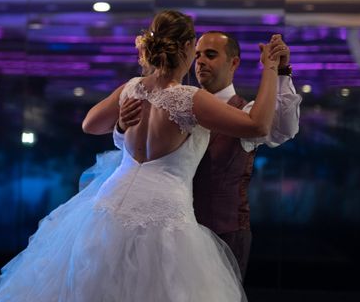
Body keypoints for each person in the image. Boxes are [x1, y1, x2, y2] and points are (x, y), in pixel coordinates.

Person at [0, 10, 279, 302]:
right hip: (163, 212)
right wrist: (270, 69)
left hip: (110, 203)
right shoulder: (190, 99)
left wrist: (122, 124)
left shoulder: (132, 88)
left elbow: (90, 125)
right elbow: (258, 125)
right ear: (187, 47)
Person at [101, 30, 301, 278]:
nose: (201, 61)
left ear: (234, 62)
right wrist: (121, 126)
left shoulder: (246, 112)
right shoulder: (178, 102)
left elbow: (283, 128)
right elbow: (135, 152)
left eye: (211, 54)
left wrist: (280, 73)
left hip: (223, 232)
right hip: (166, 232)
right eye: (197, 55)